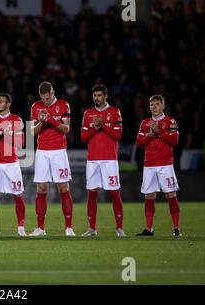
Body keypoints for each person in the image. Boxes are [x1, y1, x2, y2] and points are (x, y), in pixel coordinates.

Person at [29, 81, 75, 236]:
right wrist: (41, 122)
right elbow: (32, 133)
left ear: (53, 92)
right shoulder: (35, 106)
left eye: (47, 98)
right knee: (41, 188)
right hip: (42, 151)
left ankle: (68, 227)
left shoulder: (63, 105)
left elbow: (66, 129)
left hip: (59, 151)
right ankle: (40, 228)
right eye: (42, 98)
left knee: (63, 187)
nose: (45, 101)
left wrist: (52, 120)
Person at [80, 84, 125, 237]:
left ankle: (119, 228)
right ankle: (92, 229)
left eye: (99, 95)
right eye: (94, 96)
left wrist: (103, 125)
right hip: (92, 160)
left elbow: (117, 136)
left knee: (114, 192)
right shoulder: (88, 113)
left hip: (109, 160)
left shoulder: (114, 112)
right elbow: (84, 137)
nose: (96, 98)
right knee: (92, 193)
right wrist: (95, 127)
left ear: (105, 96)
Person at [136, 94, 182, 236]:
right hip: (149, 165)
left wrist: (159, 132)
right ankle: (149, 228)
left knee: (170, 195)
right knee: (149, 196)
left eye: (157, 104)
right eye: (151, 104)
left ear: (163, 106)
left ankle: (176, 228)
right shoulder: (145, 123)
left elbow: (175, 140)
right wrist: (148, 136)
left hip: (165, 164)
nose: (154, 107)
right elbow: (139, 142)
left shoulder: (170, 121)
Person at [0, 93, 27, 237]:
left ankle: (21, 228)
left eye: (0, 101)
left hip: (12, 163)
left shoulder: (16, 119)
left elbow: (22, 143)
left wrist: (6, 134)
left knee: (18, 195)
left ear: (8, 104)